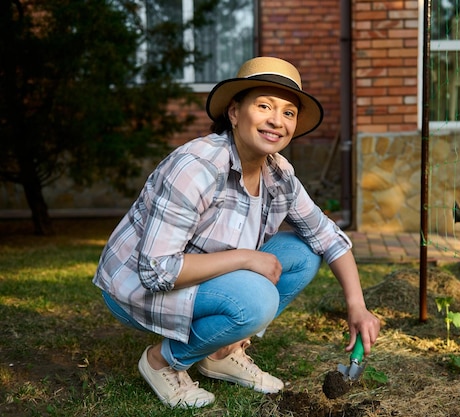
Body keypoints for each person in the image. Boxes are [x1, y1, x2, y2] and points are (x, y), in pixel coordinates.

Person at [93, 56, 380, 408]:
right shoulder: (196, 167)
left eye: (289, 113)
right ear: (234, 112)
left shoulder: (278, 173)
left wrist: (357, 306)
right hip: (135, 284)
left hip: (201, 273)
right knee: (258, 299)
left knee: (304, 254)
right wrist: (247, 258)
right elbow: (157, 270)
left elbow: (327, 237)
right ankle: (162, 361)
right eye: (264, 106)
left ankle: (220, 354)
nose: (277, 120)